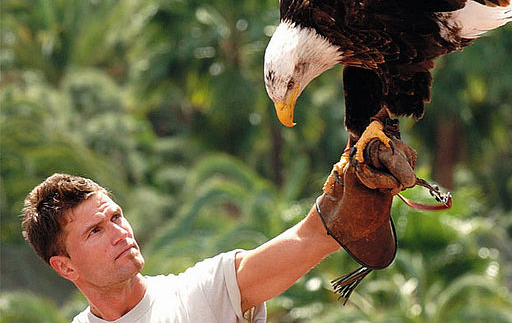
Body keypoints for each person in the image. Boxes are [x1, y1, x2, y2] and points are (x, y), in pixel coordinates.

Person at [21, 135, 417, 323]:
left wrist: (354, 177)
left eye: (116, 216)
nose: (119, 232)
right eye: (95, 231)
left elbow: (314, 235)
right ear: (65, 267)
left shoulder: (201, 294)